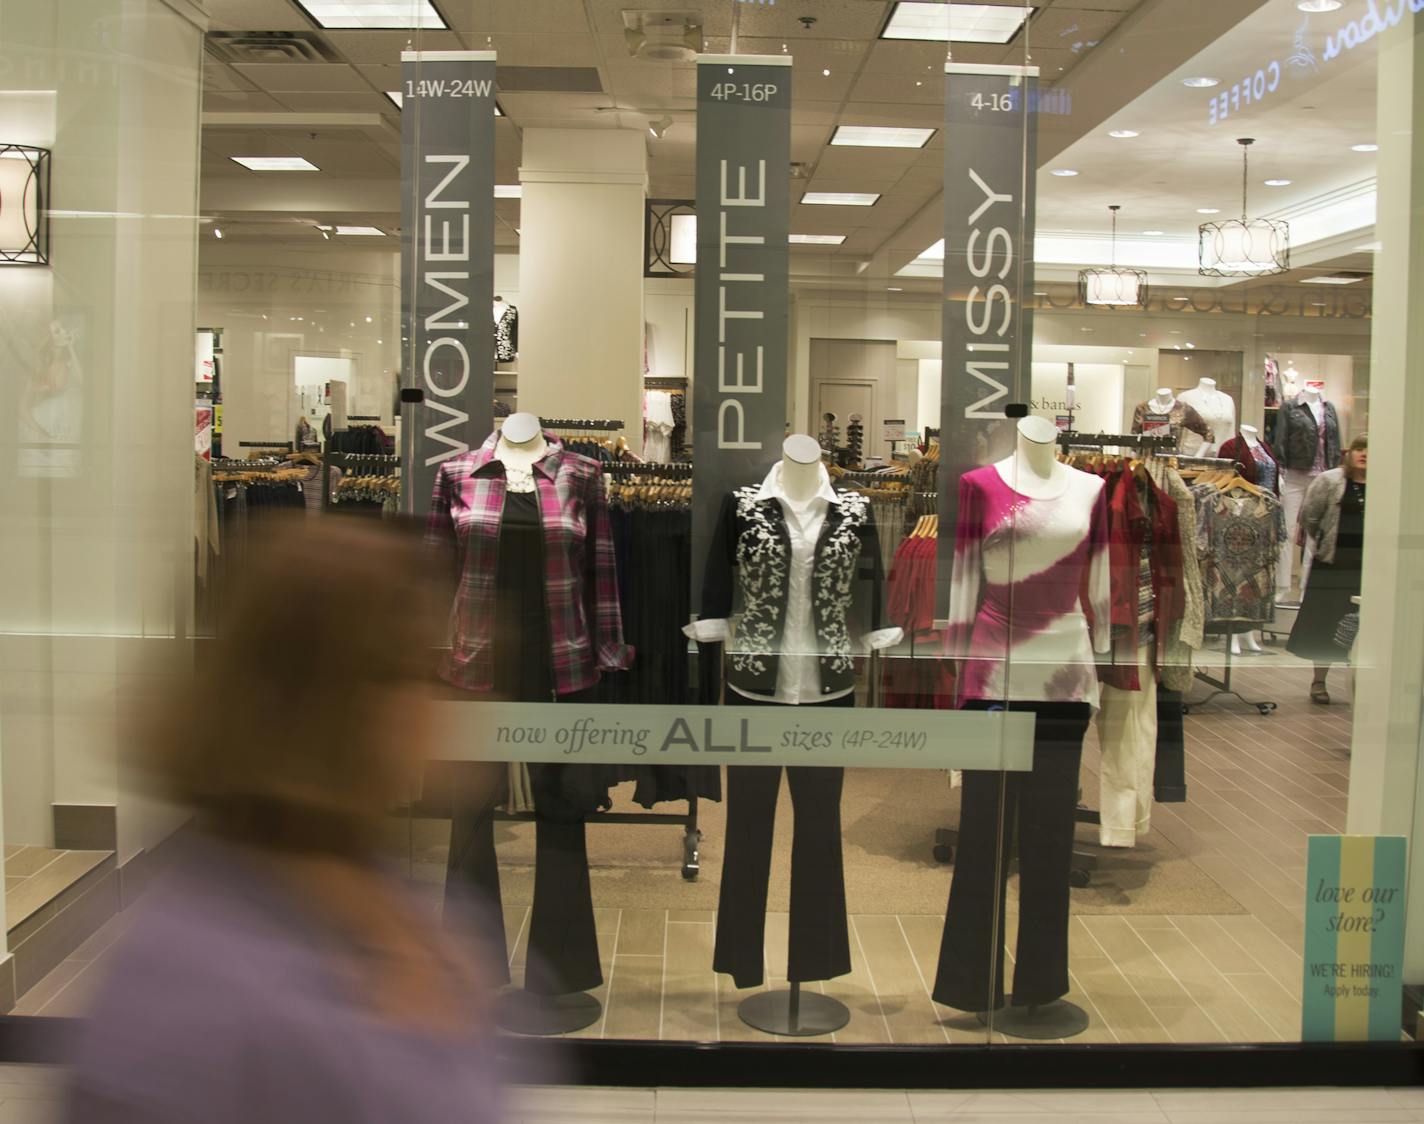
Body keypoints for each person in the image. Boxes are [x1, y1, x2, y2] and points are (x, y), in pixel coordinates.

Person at [64, 519, 513, 1124]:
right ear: (326, 701)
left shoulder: (378, 891)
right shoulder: (191, 983)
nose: (442, 704)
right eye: (408, 674)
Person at [1287, 433, 1367, 704]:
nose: (1364, 454)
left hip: (1369, 568)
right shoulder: (1330, 480)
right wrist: (1324, 542)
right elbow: (1310, 516)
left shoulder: (1385, 482)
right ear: (1350, 452)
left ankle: (1360, 682)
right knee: (1325, 623)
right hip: (1333, 565)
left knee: (1360, 625)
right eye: (1359, 448)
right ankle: (1319, 680)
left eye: (1369, 449)